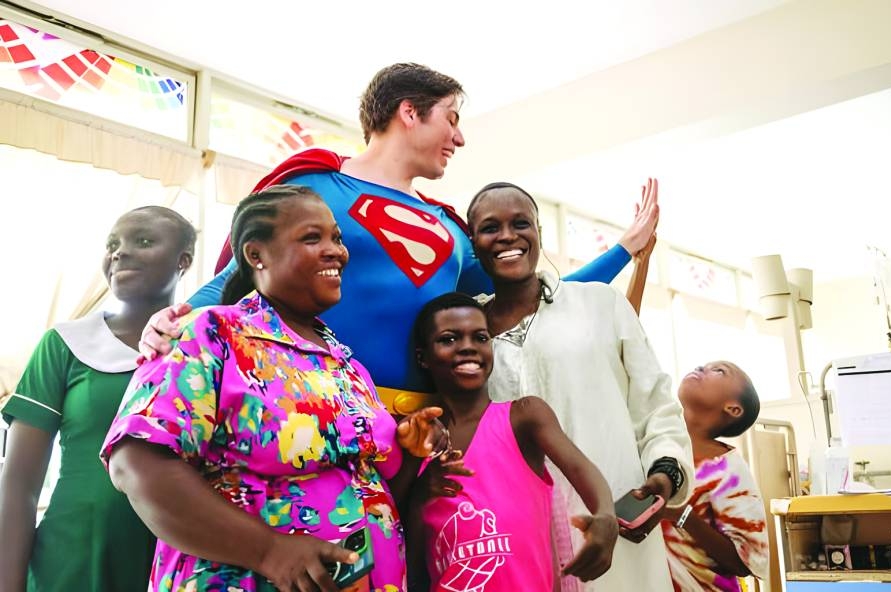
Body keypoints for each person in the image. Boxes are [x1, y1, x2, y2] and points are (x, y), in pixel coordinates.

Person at [140, 63, 658, 398]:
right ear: (409, 112)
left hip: (421, 426)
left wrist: (625, 249)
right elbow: (237, 277)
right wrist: (175, 319)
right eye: (450, 118)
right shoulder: (315, 184)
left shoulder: (452, 231)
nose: (459, 137)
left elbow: (531, 296)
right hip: (304, 404)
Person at [100, 185, 444, 592]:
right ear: (255, 254)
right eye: (312, 238)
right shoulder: (211, 333)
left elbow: (368, 488)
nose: (336, 250)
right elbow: (137, 464)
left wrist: (411, 451)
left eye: (336, 237)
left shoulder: (346, 363)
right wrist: (270, 551)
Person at [464, 181, 693, 591]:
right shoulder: (466, 335)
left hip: (617, 535)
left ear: (538, 232)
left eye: (521, 223)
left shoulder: (600, 305)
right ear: (472, 241)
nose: (508, 237)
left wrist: (663, 477)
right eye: (490, 227)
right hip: (515, 544)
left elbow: (657, 407)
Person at [0, 206, 195, 592]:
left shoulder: (204, 349)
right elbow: (19, 483)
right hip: (72, 563)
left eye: (143, 241)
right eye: (112, 245)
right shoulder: (67, 344)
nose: (120, 253)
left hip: (177, 560)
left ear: (183, 261)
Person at [407, 292, 618, 590]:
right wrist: (419, 493)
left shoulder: (524, 416)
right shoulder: (417, 438)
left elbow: (581, 469)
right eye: (449, 339)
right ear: (423, 357)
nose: (467, 347)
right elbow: (410, 555)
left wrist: (606, 516)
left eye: (480, 337)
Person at [661, 361, 768, 591]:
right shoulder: (656, 446)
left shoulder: (729, 471)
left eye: (719, 371)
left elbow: (746, 562)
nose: (701, 367)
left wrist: (682, 515)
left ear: (733, 409)